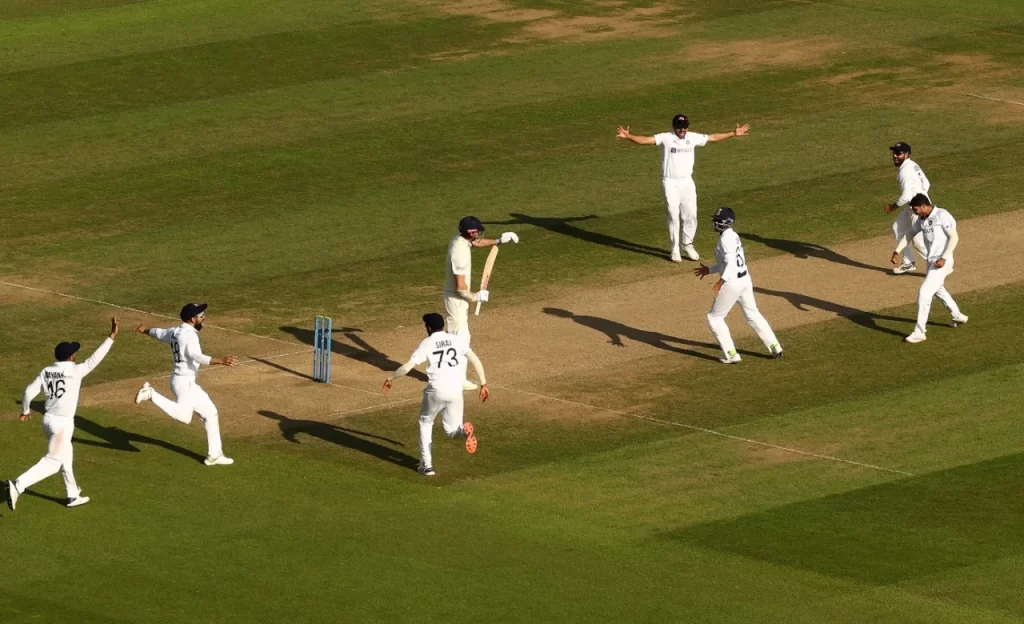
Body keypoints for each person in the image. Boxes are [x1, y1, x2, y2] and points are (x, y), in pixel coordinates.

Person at [7, 317, 119, 511]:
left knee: (66, 457)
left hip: (48, 421)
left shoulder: (47, 370)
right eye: (74, 353)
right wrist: (111, 337)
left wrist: (25, 411)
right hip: (62, 425)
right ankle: (18, 485)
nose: (75, 355)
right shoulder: (75, 371)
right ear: (69, 357)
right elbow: (95, 359)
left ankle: (72, 495)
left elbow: (28, 392)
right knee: (53, 462)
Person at [616, 114, 751, 263]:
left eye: (685, 126)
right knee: (673, 215)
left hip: (687, 182)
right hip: (670, 182)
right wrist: (629, 136)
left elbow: (712, 137)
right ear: (675, 127)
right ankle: (674, 249)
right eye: (680, 127)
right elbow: (645, 140)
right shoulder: (666, 138)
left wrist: (733, 133)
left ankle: (687, 243)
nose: (683, 129)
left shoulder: (692, 137)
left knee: (691, 214)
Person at [382, 313, 489, 476]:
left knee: (426, 423)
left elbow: (407, 367)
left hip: (436, 391)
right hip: (456, 390)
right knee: (452, 431)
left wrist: (391, 377)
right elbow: (475, 360)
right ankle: (464, 431)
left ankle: (427, 465)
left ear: (429, 327)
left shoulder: (427, 343)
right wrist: (483, 384)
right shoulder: (456, 340)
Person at [133, 303, 239, 465]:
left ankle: (215, 454)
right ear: (192, 319)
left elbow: (159, 333)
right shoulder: (189, 336)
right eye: (201, 316)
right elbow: (196, 356)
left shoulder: (176, 331)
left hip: (185, 381)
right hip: (184, 382)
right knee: (184, 417)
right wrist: (221, 361)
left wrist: (145, 330)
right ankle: (151, 394)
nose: (204, 318)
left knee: (210, 413)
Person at [694, 207, 783, 363]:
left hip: (732, 283)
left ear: (726, 223)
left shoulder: (725, 240)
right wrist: (710, 269)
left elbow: (730, 263)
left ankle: (732, 354)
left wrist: (721, 282)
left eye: (717, 220)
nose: (714, 222)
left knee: (714, 318)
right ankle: (774, 345)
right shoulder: (733, 236)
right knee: (752, 314)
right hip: (744, 281)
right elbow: (727, 262)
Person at [444, 216, 517, 389]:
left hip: (460, 298)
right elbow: (461, 288)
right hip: (456, 299)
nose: (478, 234)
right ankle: (454, 378)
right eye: (476, 232)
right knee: (458, 340)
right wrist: (477, 297)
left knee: (462, 338)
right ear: (470, 232)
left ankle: (456, 377)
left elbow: (476, 243)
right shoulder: (459, 252)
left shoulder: (460, 240)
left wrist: (498, 241)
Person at [890, 194, 968, 343]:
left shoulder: (942, 215)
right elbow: (909, 235)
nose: (915, 212)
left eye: (916, 209)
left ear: (924, 206)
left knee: (924, 293)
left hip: (942, 261)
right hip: (931, 261)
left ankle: (920, 331)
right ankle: (957, 315)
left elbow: (954, 237)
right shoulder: (922, 220)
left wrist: (944, 257)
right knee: (938, 290)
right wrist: (896, 251)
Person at [884, 142, 931, 274]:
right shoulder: (913, 165)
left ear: (906, 154)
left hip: (919, 209)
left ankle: (936, 266)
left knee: (917, 241)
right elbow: (926, 183)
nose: (895, 156)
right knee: (897, 228)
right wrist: (921, 195)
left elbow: (906, 195)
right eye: (894, 153)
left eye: (898, 153)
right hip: (915, 205)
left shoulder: (905, 171)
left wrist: (893, 207)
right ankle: (909, 262)